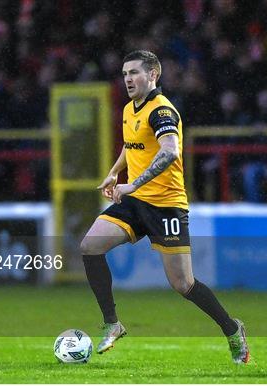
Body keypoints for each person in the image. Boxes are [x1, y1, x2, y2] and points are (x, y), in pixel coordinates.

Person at [80, 50, 250, 364]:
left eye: (134, 72)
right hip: (135, 201)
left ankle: (231, 328)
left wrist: (133, 182)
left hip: (166, 206)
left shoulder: (162, 112)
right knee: (90, 246)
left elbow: (170, 151)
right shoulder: (131, 109)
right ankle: (112, 324)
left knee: (183, 284)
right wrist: (116, 171)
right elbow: (132, 144)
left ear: (153, 74)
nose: (128, 79)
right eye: (125, 73)